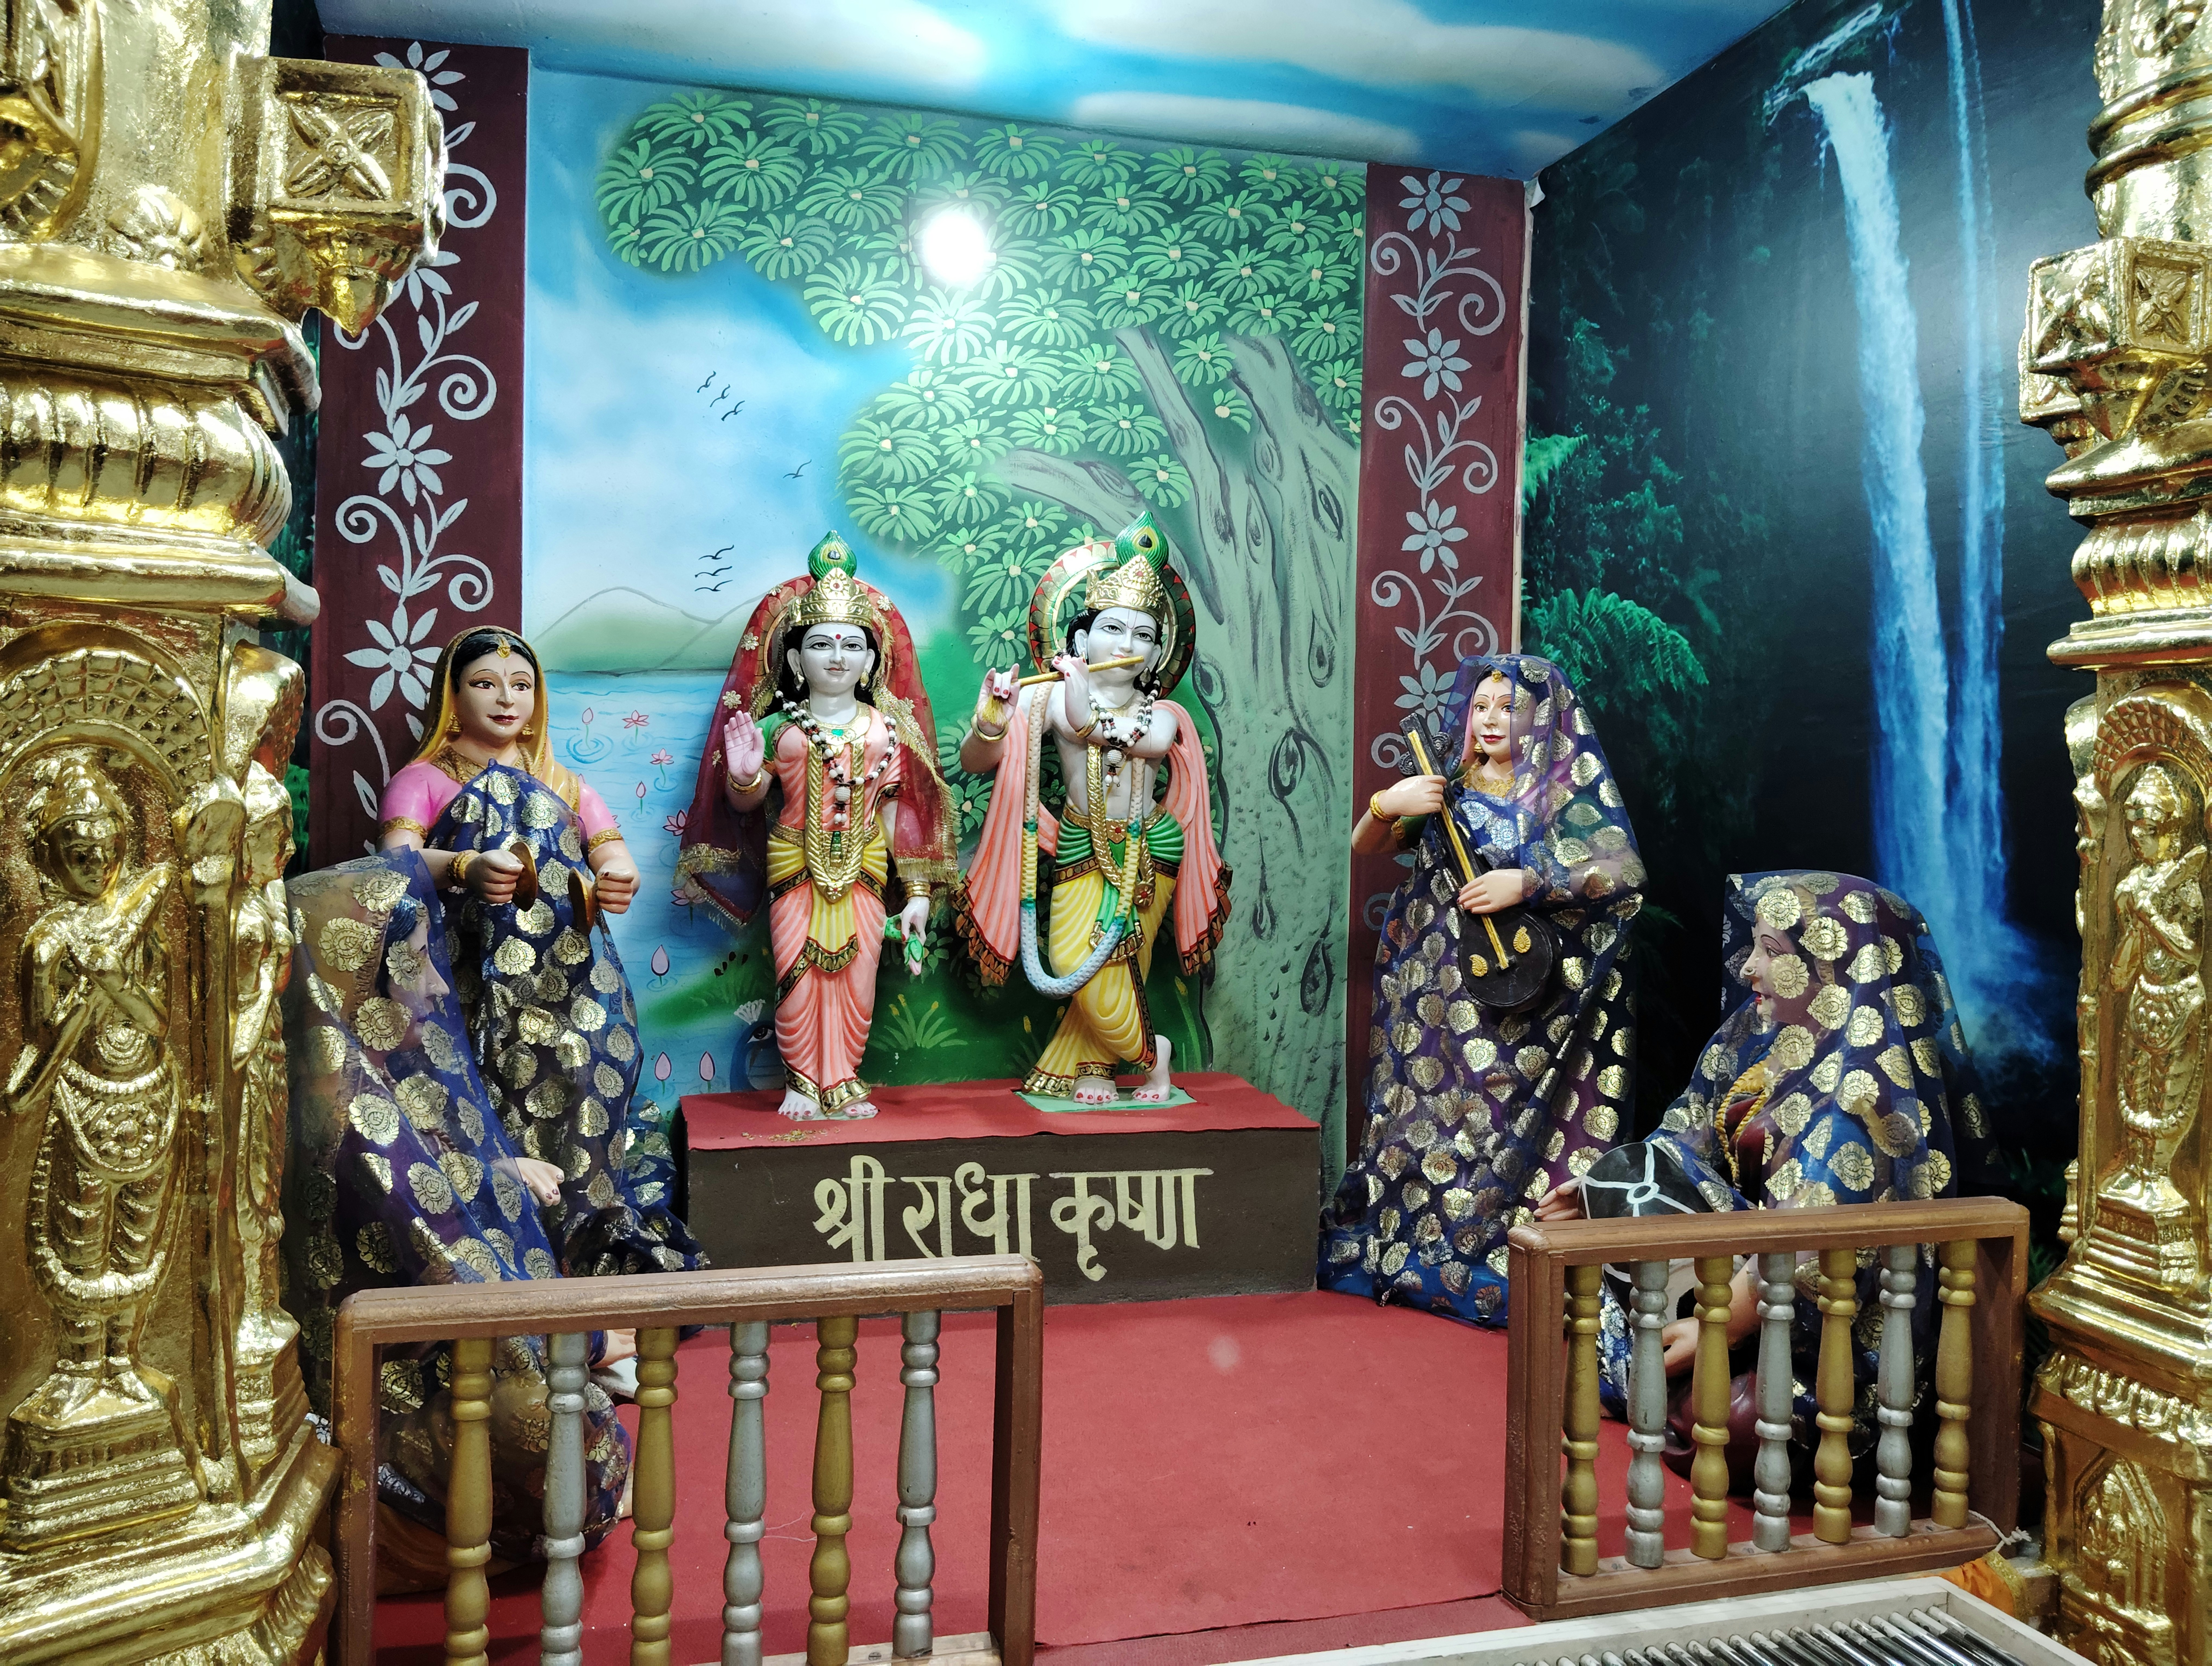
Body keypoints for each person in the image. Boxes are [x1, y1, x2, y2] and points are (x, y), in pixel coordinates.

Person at [1535, 870, 2001, 1485]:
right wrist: (1604, 1189)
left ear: (1836, 964)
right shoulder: (1762, 1039)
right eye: (1754, 946)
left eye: (1772, 952)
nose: (1748, 968)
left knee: (1739, 1422)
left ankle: (1690, 1364)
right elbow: (1686, 1133)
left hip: (1822, 1326)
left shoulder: (1870, 1088)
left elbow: (1825, 1249)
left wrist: (1722, 1324)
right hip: (1740, 1269)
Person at [283, 858, 635, 1589]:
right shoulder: (348, 1112)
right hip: (385, 1388)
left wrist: (500, 1176)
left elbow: (437, 1179)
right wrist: (589, 1337)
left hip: (421, 1346)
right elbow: (445, 1260)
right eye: (419, 966)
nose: (441, 987)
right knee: (556, 1427)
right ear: (365, 970)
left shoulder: (361, 1062)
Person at [1319, 655, 1643, 1322]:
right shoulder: (1451, 785)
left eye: (1509, 707)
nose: (1492, 718)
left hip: (1524, 1003)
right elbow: (1369, 845)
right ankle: (1414, 1247)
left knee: (1500, 1118)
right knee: (1423, 1119)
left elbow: (1622, 868)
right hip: (1437, 996)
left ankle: (1496, 1248)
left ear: (1541, 719)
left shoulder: (1559, 795)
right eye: (1482, 706)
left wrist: (1530, 881)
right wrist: (1389, 804)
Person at [374, 625, 700, 1283]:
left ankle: (593, 1272)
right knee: (488, 1102)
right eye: (486, 685)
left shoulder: (564, 783)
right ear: (452, 695)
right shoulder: (425, 780)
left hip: (578, 985)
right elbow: (391, 867)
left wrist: (618, 875)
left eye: (521, 686)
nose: (506, 700)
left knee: (589, 1086)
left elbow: (611, 851)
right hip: (471, 981)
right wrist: (463, 864)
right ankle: (517, 1275)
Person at [677, 533, 957, 1119]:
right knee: (799, 975)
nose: (837, 657)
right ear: (796, 660)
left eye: (853, 645)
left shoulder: (888, 730)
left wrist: (920, 895)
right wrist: (747, 776)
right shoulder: (782, 727)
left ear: (873, 659)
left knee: (858, 981)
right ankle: (805, 1081)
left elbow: (899, 815)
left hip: (867, 869)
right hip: (795, 866)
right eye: (822, 644)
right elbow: (747, 802)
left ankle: (845, 1078)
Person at [953, 512, 1230, 1104]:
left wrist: (1086, 714)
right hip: (1082, 840)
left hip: (1147, 847)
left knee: (1120, 962)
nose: (1127, 647)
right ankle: (1108, 1062)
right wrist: (992, 718)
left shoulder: (1162, 716)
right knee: (1076, 961)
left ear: (1159, 654)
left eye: (1144, 636)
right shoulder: (1051, 698)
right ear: (1080, 641)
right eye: (1112, 630)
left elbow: (1139, 740)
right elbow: (977, 761)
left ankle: (1150, 1059)